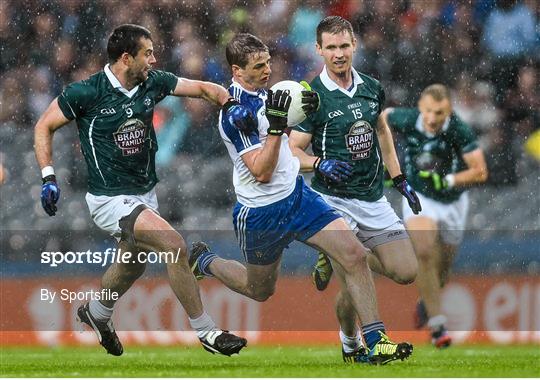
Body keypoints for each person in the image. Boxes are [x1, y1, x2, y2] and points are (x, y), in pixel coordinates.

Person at [189, 32, 413, 365]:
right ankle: (204, 262)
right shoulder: (235, 115)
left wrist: (300, 111)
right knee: (260, 289)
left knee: (353, 254)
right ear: (237, 71)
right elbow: (261, 171)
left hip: (298, 196)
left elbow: (284, 128)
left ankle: (375, 340)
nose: (267, 70)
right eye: (258, 66)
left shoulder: (267, 95)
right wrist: (280, 128)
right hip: (261, 213)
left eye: (268, 62)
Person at [34, 24, 254, 357]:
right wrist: (48, 176)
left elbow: (205, 89)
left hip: (144, 195)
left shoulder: (152, 82)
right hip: (109, 199)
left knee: (131, 266)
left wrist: (230, 103)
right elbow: (44, 125)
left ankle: (96, 312)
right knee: (174, 246)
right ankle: (207, 330)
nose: (154, 59)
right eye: (147, 53)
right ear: (126, 58)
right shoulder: (87, 92)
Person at [288, 16, 421, 360]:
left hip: (372, 197)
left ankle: (337, 259)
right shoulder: (313, 96)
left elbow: (381, 131)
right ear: (318, 49)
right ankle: (370, 342)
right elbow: (291, 151)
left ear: (354, 45)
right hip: (332, 201)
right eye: (330, 47)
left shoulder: (372, 87)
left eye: (343, 45)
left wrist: (399, 177)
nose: (338, 53)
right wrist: (318, 163)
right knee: (356, 260)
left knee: (405, 272)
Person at [382, 84, 488, 347]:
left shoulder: (459, 130)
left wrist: (447, 180)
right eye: (428, 111)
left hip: (453, 201)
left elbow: (480, 171)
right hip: (420, 196)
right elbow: (380, 117)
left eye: (439, 113)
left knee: (442, 271)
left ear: (449, 110)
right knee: (426, 251)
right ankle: (438, 326)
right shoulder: (406, 118)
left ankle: (426, 301)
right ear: (420, 106)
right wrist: (383, 156)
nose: (432, 118)